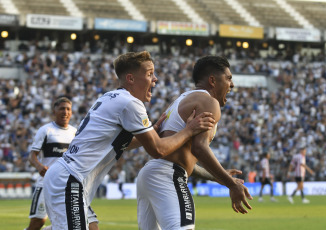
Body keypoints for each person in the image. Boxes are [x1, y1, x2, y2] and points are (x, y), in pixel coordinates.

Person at [43, 51, 215, 230]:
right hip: (70, 180)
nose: (155, 79)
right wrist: (189, 130)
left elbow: (118, 144)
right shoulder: (130, 103)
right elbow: (158, 150)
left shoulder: (111, 96)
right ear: (131, 78)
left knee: (90, 226)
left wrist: (151, 132)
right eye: (149, 74)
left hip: (66, 177)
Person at [137, 55, 252, 230]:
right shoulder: (209, 101)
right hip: (167, 175)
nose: (232, 84)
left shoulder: (183, 99)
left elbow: (183, 157)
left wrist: (218, 176)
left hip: (150, 174)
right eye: (228, 78)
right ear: (212, 80)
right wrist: (231, 185)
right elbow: (199, 148)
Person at [25, 97, 99, 230]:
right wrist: (39, 166)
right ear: (54, 111)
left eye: (68, 109)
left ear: (71, 112)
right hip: (47, 182)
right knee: (38, 222)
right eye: (62, 109)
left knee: (92, 224)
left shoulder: (75, 133)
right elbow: (32, 156)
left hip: (72, 185)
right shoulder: (46, 130)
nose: (65, 112)